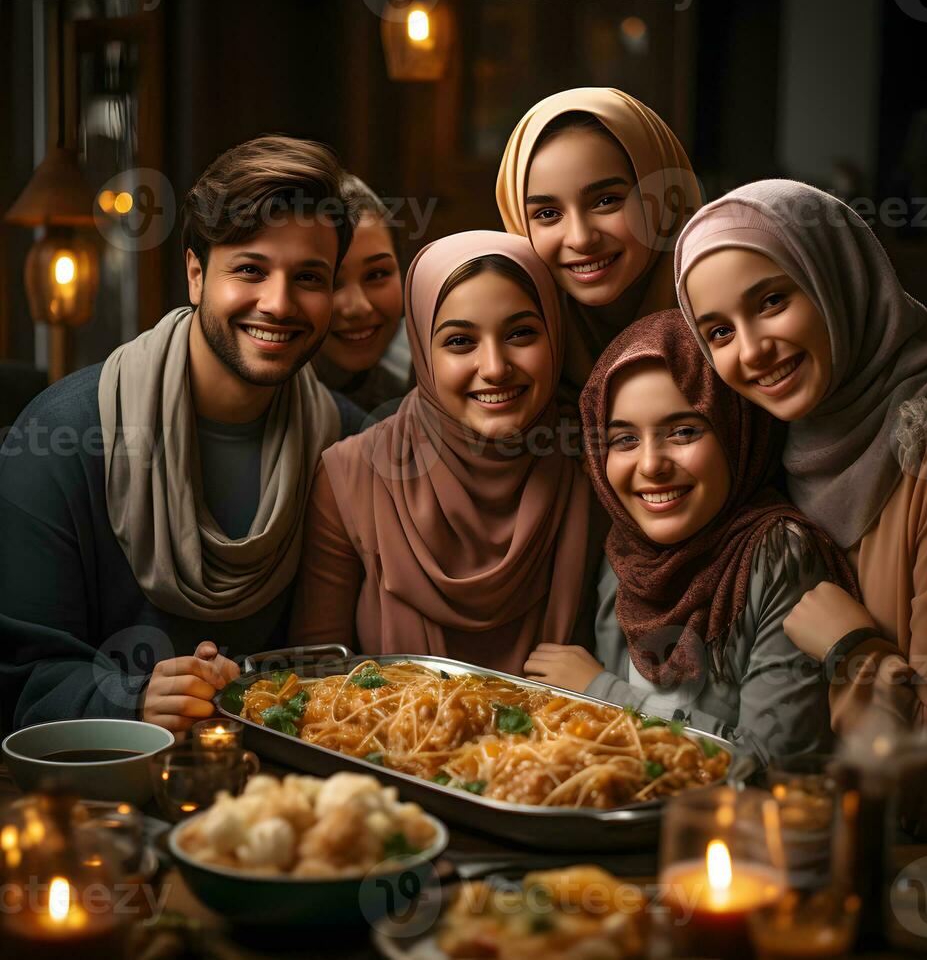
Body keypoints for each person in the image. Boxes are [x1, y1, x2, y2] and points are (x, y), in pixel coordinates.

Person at [0, 135, 363, 733]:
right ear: (195, 275)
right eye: (250, 269)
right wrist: (128, 700)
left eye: (309, 277)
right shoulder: (60, 435)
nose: (278, 303)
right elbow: (17, 673)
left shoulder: (345, 445)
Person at [675, 180, 927, 829]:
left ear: (838, 279)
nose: (752, 350)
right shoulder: (772, 443)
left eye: (774, 301)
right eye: (719, 331)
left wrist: (850, 648)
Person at [524, 310, 858, 766]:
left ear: (736, 430)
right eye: (624, 440)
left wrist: (599, 693)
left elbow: (774, 766)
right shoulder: (626, 550)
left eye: (683, 431)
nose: (650, 465)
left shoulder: (779, 554)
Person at [290, 231, 602, 674]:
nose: (494, 367)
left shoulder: (599, 463)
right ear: (421, 348)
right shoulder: (353, 475)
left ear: (555, 333)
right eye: (460, 342)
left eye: (521, 333)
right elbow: (314, 681)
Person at [496, 87, 701, 401]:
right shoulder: (502, 354)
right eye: (548, 213)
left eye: (606, 201)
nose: (581, 238)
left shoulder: (727, 330)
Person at [312, 173, 412, 416]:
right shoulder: (262, 403)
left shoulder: (427, 377)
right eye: (331, 281)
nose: (359, 308)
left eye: (377, 275)